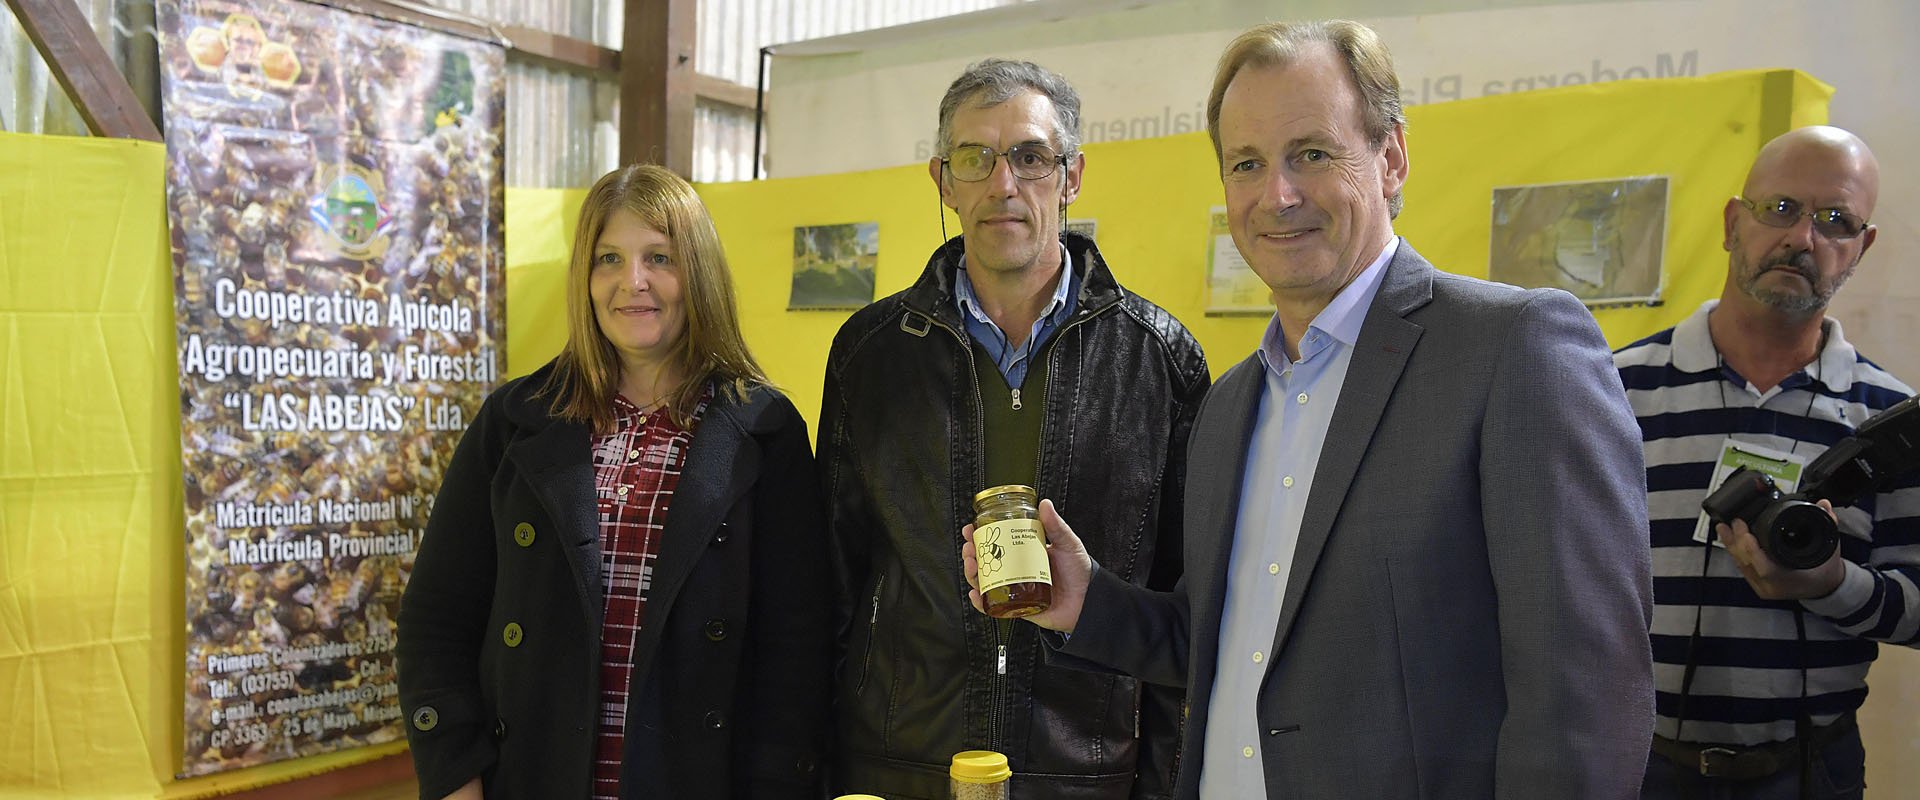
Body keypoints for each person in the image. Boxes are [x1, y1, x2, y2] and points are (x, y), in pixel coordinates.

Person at [963, 20, 1655, 798]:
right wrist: (1088, 601)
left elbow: (1584, 705)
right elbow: (1228, 644)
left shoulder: (1513, 350)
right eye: (1247, 164)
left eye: (1313, 154)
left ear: (1391, 158)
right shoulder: (1230, 406)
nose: (1277, 195)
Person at [820, 59, 1209, 799]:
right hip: (902, 764)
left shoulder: (1161, 359)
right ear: (944, 180)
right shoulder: (872, 354)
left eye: (1031, 157)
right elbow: (832, 583)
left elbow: (1181, 605)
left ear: (1071, 177)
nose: (1004, 184)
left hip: (1085, 772)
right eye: (976, 158)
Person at [397, 164, 830, 799]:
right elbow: (436, 618)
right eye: (609, 259)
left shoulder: (765, 430)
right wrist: (454, 776)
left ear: (699, 272)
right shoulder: (513, 423)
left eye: (660, 257)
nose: (633, 281)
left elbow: (797, 649)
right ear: (585, 276)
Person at [1615, 126, 1918, 800]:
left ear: (1862, 248)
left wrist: (1833, 583)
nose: (1802, 238)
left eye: (1835, 221)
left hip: (1811, 770)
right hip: (1635, 763)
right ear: (1732, 223)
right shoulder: (1613, 388)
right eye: (1780, 209)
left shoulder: (1892, 420)